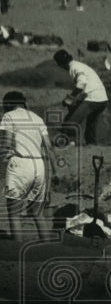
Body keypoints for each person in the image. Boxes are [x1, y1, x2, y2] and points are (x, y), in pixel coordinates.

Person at [1, 91, 56, 242]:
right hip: (39, 165)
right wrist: (55, 172)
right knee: (37, 214)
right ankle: (47, 247)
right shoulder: (37, 118)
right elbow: (49, 147)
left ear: (9, 104)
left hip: (21, 163)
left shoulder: (9, 116)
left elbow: (6, 143)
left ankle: (17, 250)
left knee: (14, 213)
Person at [54, 50, 108, 145]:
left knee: (71, 124)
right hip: (102, 99)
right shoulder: (79, 65)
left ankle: (71, 143)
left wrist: (69, 98)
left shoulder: (74, 68)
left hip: (93, 98)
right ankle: (92, 145)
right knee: (91, 124)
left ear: (60, 64)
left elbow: (81, 84)